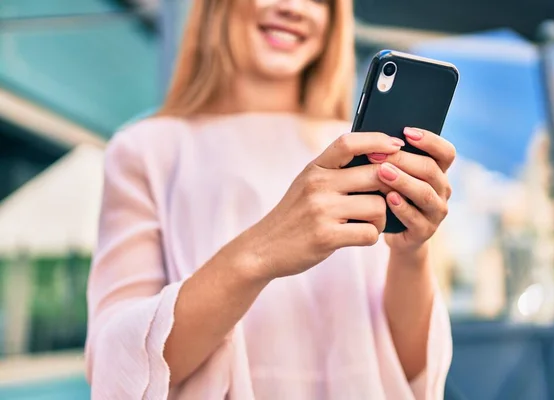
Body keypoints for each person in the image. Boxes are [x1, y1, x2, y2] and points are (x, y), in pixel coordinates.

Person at [84, 0, 456, 398]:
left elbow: (410, 373)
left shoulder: (361, 145)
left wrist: (410, 253)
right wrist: (261, 252)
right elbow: (117, 366)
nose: (295, 8)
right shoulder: (146, 150)